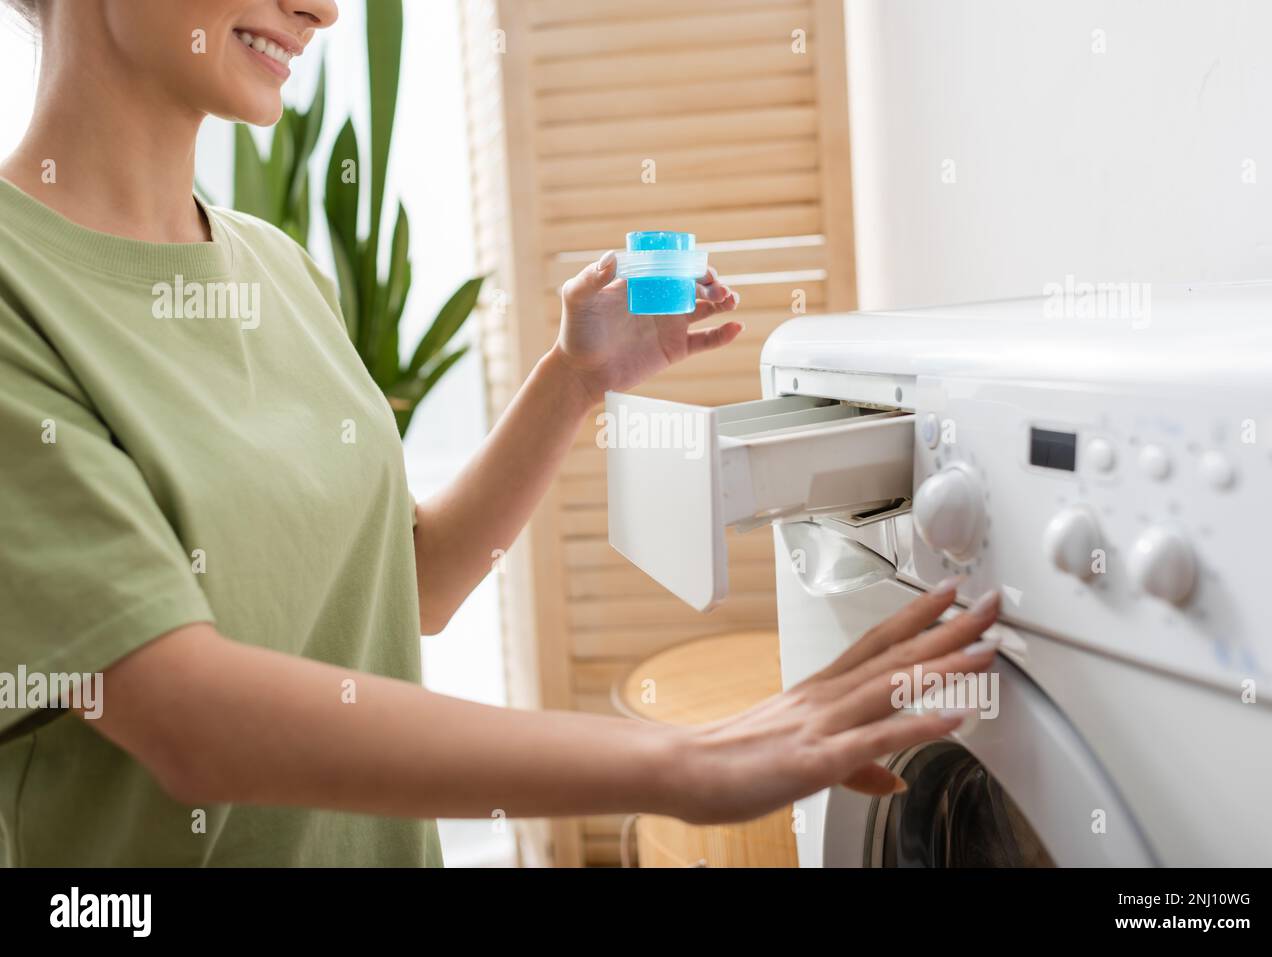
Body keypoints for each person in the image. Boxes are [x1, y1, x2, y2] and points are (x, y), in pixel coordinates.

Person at [0, 0, 1001, 866]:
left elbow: (411, 585)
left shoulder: (276, 268)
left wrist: (574, 380)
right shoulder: (15, 297)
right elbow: (187, 719)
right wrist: (692, 764)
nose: (322, 10)